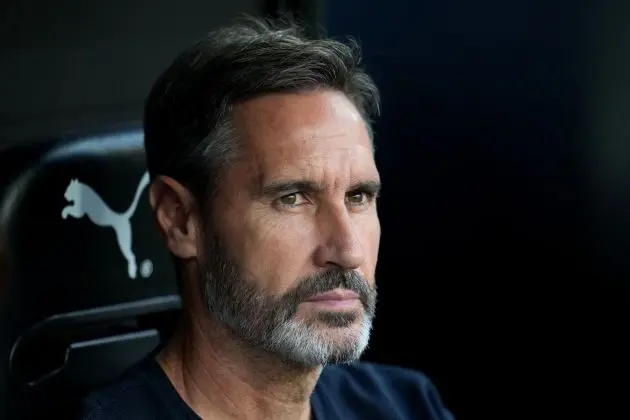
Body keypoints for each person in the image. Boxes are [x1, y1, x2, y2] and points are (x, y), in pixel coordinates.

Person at [80, 16, 454, 420]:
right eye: (292, 198)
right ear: (180, 219)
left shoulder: (405, 406)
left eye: (358, 196)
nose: (348, 250)